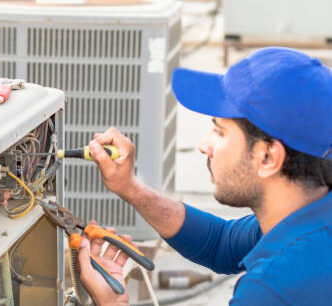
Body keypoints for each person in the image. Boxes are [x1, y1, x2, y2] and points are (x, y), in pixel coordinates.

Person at [77, 47, 332, 305]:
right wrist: (130, 188)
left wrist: (111, 304)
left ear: (268, 157)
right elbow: (220, 243)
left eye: (220, 132)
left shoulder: (272, 289)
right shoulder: (310, 208)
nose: (203, 145)